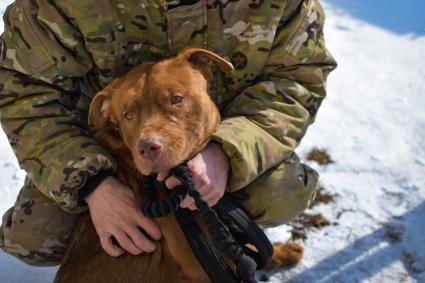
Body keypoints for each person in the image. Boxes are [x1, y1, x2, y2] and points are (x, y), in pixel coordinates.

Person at [0, 0, 336, 266]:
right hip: (111, 150)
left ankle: (232, 247)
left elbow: (298, 78)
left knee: (281, 191)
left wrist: (230, 150)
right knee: (31, 237)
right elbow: (21, 92)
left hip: (224, 130)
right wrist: (90, 184)